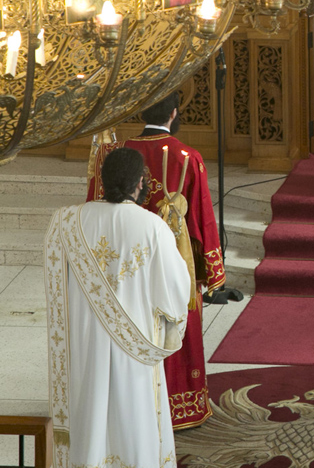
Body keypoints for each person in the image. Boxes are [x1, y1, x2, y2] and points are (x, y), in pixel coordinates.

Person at [87, 92, 225, 428]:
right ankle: (179, 406)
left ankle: (127, 407)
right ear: (174, 114)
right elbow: (202, 222)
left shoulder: (113, 153)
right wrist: (212, 274)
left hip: (119, 264)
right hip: (171, 266)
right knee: (176, 329)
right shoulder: (188, 158)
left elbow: (94, 205)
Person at [46, 148, 191, 468]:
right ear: (140, 183)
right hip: (135, 349)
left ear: (102, 181)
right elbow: (177, 293)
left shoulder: (66, 221)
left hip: (84, 345)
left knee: (90, 414)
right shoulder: (152, 227)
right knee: (134, 420)